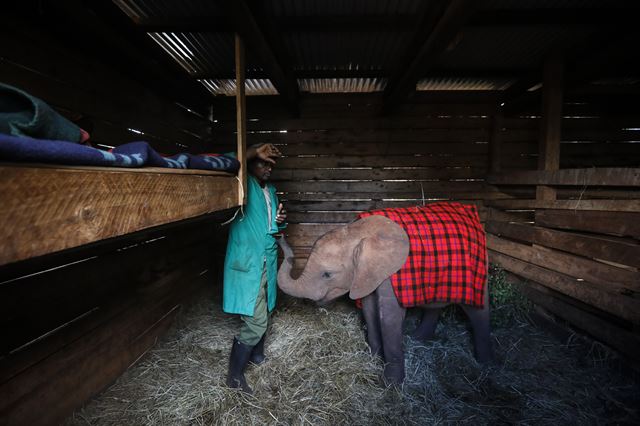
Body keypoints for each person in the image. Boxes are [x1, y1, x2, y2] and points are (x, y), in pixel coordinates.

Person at [223, 143, 286, 393]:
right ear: (251, 164)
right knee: (256, 320)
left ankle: (256, 356)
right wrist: (252, 152)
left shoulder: (271, 190)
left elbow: (272, 229)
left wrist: (280, 222)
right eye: (263, 162)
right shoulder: (243, 184)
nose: (268, 167)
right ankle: (235, 377)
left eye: (271, 164)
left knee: (266, 308)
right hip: (248, 261)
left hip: (266, 261)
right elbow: (227, 159)